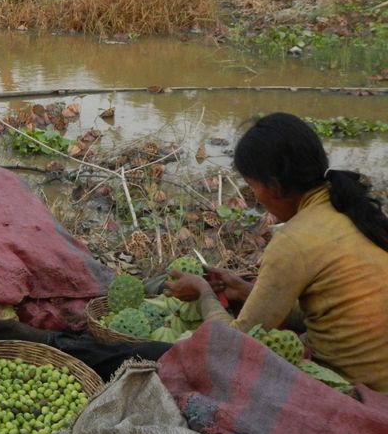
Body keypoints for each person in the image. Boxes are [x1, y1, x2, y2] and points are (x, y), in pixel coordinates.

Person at [165, 112, 388, 392]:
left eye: (252, 186)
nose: (254, 197)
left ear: (275, 185)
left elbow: (234, 344)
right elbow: (330, 307)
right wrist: (246, 290)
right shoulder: (348, 211)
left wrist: (204, 294)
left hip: (355, 387)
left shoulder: (294, 240)